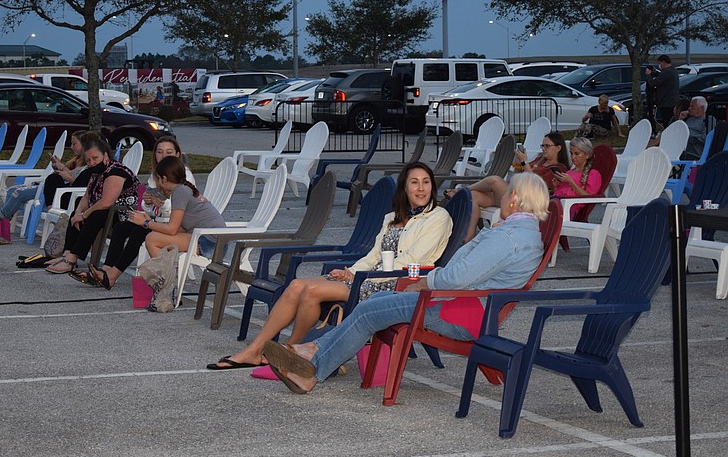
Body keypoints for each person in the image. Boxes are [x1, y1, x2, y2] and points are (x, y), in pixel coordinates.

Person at [261, 172, 549, 395]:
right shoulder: (519, 234)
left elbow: (456, 277)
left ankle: (312, 371)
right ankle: (314, 349)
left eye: (506, 193)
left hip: (460, 310)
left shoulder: (507, 239)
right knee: (373, 303)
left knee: (369, 312)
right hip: (461, 304)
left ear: (513, 200)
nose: (501, 198)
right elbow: (464, 272)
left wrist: (424, 282)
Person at [207, 162, 453, 371]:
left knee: (312, 290)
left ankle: (289, 353)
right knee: (296, 286)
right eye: (414, 182)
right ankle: (258, 350)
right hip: (366, 277)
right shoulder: (393, 218)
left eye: (426, 182)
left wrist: (358, 278)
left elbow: (413, 261)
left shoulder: (438, 217)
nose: (421, 188)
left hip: (396, 285)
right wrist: (352, 272)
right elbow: (373, 254)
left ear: (432, 186)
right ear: (405, 187)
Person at [87, 154, 221, 290]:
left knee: (152, 239)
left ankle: (167, 287)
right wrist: (149, 222)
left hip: (209, 241)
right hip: (209, 237)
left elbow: (172, 230)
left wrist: (146, 222)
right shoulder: (183, 189)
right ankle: (164, 285)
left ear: (163, 178)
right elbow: (179, 227)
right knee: (147, 233)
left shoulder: (180, 192)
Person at [46, 133, 140, 277]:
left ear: (106, 155)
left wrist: (84, 215)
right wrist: (78, 212)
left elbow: (107, 202)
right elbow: (87, 195)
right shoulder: (96, 172)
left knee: (95, 214)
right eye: (88, 160)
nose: (92, 163)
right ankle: (67, 254)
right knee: (79, 209)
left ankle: (72, 259)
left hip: (124, 215)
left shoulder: (116, 171)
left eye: (95, 158)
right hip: (107, 213)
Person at [0, 130, 91, 234]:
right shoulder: (76, 161)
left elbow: (77, 182)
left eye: (74, 144)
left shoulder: (87, 164)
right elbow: (68, 175)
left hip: (56, 192)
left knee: (19, 193)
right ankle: (2, 227)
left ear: (84, 145)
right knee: (12, 190)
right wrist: (60, 166)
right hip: (51, 187)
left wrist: (62, 169)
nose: (71, 146)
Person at [454, 133, 569, 241]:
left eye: (547, 146)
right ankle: (469, 237)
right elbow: (516, 177)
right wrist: (518, 165)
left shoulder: (559, 167)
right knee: (474, 196)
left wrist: (524, 163)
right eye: (542, 145)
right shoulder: (539, 160)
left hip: (527, 200)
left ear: (558, 148)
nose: (543, 149)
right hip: (514, 194)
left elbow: (535, 184)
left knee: (494, 180)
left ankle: (461, 191)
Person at [145, 136, 197, 222]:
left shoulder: (184, 174)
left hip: (180, 223)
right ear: (155, 155)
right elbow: (150, 213)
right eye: (159, 152)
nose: (164, 156)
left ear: (177, 155)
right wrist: (147, 203)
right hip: (160, 220)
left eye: (169, 152)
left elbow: (181, 208)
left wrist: (162, 203)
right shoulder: (154, 176)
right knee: (123, 227)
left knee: (141, 233)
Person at [552, 136, 602, 218]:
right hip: (557, 202)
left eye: (577, 154)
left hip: (569, 207)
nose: (572, 157)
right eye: (571, 153)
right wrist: (555, 186)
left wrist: (571, 182)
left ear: (587, 155)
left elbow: (589, 197)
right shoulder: (569, 172)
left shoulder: (593, 174)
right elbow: (559, 192)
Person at [646, 55, 679, 129]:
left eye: (660, 63)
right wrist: (655, 72)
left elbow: (653, 83)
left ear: (663, 62)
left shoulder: (667, 72)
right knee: (670, 120)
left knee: (667, 121)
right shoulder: (673, 70)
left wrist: (648, 75)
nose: (659, 65)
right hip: (672, 101)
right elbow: (662, 78)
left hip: (666, 102)